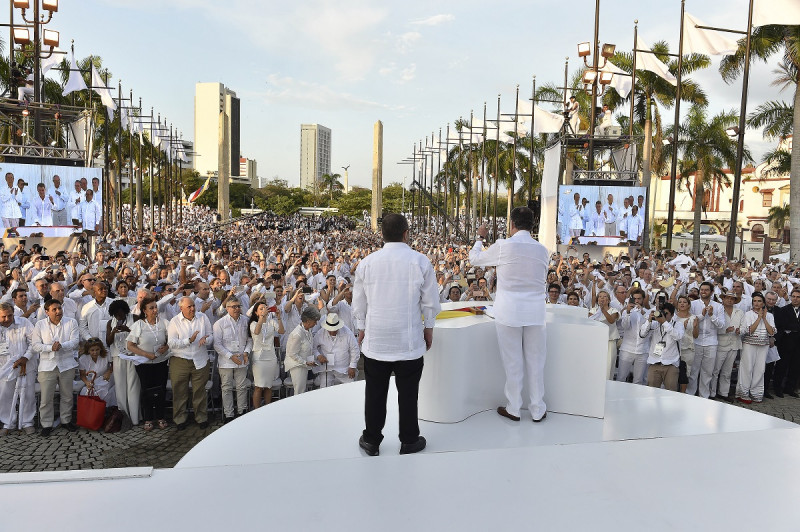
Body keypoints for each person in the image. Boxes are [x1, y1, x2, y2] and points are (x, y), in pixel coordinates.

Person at [353, 213, 441, 457]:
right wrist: (429, 328)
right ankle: (410, 439)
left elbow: (359, 302)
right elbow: (430, 301)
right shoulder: (420, 261)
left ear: (382, 234)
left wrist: (361, 327)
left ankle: (371, 440)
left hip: (377, 339)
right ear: (406, 233)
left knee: (374, 393)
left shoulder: (367, 262)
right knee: (409, 394)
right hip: (409, 339)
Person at [470, 207, 548, 423]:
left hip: (509, 311)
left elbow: (474, 259)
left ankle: (514, 407)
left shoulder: (504, 246)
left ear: (512, 224)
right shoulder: (543, 250)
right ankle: (537, 409)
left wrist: (480, 237)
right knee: (536, 362)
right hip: (535, 311)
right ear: (531, 225)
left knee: (513, 362)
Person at [31, 299, 80, 437]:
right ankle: (46, 424)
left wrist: (61, 346)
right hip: (47, 366)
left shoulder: (71, 322)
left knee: (67, 396)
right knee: (46, 398)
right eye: (54, 309)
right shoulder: (40, 324)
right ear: (47, 312)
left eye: (59, 308)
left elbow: (75, 341)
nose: (58, 311)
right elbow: (35, 345)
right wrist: (49, 348)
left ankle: (66, 420)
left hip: (67, 364)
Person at [167, 296, 213, 430]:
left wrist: (206, 339)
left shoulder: (203, 317)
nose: (193, 308)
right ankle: (180, 419)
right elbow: (171, 343)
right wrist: (189, 340)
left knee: (199, 391)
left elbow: (211, 335)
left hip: (200, 359)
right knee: (180, 391)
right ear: (181, 308)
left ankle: (201, 417)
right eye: (189, 307)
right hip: (180, 360)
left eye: (193, 305)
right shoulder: (175, 321)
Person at [126, 298, 170, 431]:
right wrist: (145, 354)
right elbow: (130, 346)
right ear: (144, 311)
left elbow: (171, 339)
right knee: (147, 390)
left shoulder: (164, 323)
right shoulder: (139, 325)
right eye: (151, 308)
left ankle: (161, 417)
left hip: (160, 362)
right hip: (144, 364)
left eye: (155, 307)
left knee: (161, 389)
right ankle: (148, 418)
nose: (155, 310)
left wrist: (166, 346)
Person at [213, 297, 253, 423]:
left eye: (238, 306)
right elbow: (217, 344)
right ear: (227, 308)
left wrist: (246, 352)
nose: (236, 309)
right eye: (233, 307)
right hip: (226, 361)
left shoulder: (246, 321)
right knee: (226, 388)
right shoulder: (220, 323)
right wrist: (231, 356)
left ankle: (242, 411)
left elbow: (250, 340)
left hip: (241, 359)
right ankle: (229, 414)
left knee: (242, 387)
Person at [0, 303, 35, 435]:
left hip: (25, 365)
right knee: (4, 396)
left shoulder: (24, 322)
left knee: (27, 395)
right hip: (3, 367)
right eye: (3, 317)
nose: (7, 319)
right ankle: (8, 422)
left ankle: (27, 422)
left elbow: (34, 342)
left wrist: (25, 357)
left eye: (10, 315)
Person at [736, 292, 775, 404]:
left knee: (760, 369)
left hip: (763, 345)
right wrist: (759, 318)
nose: (756, 303)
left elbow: (772, 332)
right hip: (749, 344)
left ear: (763, 303)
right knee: (746, 368)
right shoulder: (748, 314)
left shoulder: (770, 316)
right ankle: (743, 393)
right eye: (754, 301)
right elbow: (749, 331)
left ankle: (756, 393)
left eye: (759, 301)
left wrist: (764, 318)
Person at [688, 282, 725, 398]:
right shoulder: (693, 304)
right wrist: (702, 315)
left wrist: (712, 315)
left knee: (707, 372)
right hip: (695, 341)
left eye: (706, 290)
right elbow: (689, 321)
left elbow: (721, 325)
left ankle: (704, 397)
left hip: (711, 343)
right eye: (702, 290)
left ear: (712, 292)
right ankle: (690, 395)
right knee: (693, 371)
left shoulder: (718, 306)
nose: (703, 292)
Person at [106, 299, 139, 425]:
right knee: (120, 388)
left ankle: (135, 418)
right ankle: (123, 417)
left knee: (133, 387)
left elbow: (141, 337)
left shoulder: (135, 318)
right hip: (118, 357)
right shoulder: (110, 322)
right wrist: (113, 332)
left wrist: (128, 330)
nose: (118, 316)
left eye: (120, 314)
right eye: (115, 314)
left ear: (125, 311)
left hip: (133, 356)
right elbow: (108, 342)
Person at [640, 303, 684, 390]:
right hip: (654, 362)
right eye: (662, 312)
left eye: (666, 313)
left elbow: (678, 336)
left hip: (671, 364)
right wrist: (649, 320)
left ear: (672, 315)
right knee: (651, 392)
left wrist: (664, 323)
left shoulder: (678, 325)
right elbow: (642, 334)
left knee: (670, 394)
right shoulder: (655, 324)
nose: (663, 315)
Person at [249, 301, 284, 408]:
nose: (264, 310)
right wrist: (261, 318)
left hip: (271, 357)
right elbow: (256, 332)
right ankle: (256, 411)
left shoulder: (271, 322)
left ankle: (267, 409)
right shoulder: (253, 324)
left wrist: (279, 317)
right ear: (256, 312)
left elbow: (282, 331)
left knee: (269, 386)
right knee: (259, 386)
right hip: (259, 358)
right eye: (261, 308)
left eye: (265, 308)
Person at [710, 292, 744, 400]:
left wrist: (740, 331)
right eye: (727, 298)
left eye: (732, 299)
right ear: (723, 299)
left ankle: (723, 392)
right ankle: (712, 392)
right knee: (715, 370)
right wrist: (725, 330)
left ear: (735, 301)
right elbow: (713, 327)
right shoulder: (718, 310)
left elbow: (743, 326)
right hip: (721, 343)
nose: (730, 300)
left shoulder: (739, 312)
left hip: (734, 343)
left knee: (727, 371)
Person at [313, 312, 360, 388]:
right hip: (327, 369)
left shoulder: (347, 333)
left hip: (344, 369)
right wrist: (318, 356)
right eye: (330, 330)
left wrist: (352, 366)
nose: (332, 332)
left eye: (334, 330)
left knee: (351, 389)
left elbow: (355, 350)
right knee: (324, 390)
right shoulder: (320, 333)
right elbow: (313, 347)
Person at [284, 306, 320, 396]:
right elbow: (292, 353)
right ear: (308, 321)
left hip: (303, 365)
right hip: (297, 366)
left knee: (302, 390)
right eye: (315, 321)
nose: (316, 324)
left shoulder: (307, 330)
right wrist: (305, 362)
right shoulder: (297, 334)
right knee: (299, 391)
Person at [773, 288, 800, 398]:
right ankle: (777, 388)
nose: (795, 299)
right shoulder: (783, 310)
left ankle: (790, 388)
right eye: (793, 296)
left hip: (798, 343)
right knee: (782, 366)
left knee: (795, 366)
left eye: (798, 297)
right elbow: (780, 326)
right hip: (785, 342)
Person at [589, 289, 619, 380]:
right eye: (600, 297)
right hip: (596, 342)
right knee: (595, 365)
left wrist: (603, 310)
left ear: (609, 300)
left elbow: (611, 320)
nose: (602, 299)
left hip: (610, 342)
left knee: (608, 366)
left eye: (604, 297)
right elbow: (589, 321)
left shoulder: (614, 310)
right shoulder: (593, 310)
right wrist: (599, 310)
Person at [78, 338, 116, 407]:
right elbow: (82, 375)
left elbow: (113, 364)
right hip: (91, 380)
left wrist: (109, 371)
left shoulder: (106, 354)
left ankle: (106, 409)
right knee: (85, 392)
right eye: (92, 350)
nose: (95, 352)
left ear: (100, 349)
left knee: (105, 391)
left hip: (106, 378)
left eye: (97, 350)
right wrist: (86, 382)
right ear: (88, 350)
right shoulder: (83, 359)